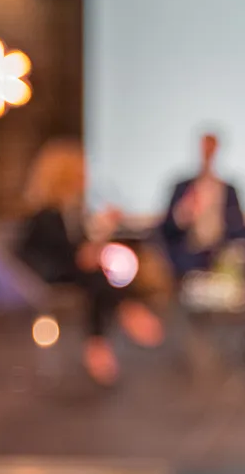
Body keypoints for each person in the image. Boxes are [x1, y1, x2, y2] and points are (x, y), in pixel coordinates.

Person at [16, 139, 164, 386]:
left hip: (74, 272)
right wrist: (87, 253)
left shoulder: (71, 213)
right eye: (80, 172)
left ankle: (105, 335)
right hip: (46, 276)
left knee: (101, 275)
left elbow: (81, 249)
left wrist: (103, 230)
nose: (86, 178)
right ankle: (125, 312)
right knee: (97, 278)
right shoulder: (46, 216)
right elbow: (58, 253)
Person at [159, 131, 245, 277]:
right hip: (187, 255)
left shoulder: (228, 190)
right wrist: (183, 213)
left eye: (211, 147)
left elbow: (239, 225)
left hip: (221, 255)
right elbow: (167, 226)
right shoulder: (183, 188)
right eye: (205, 147)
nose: (208, 151)